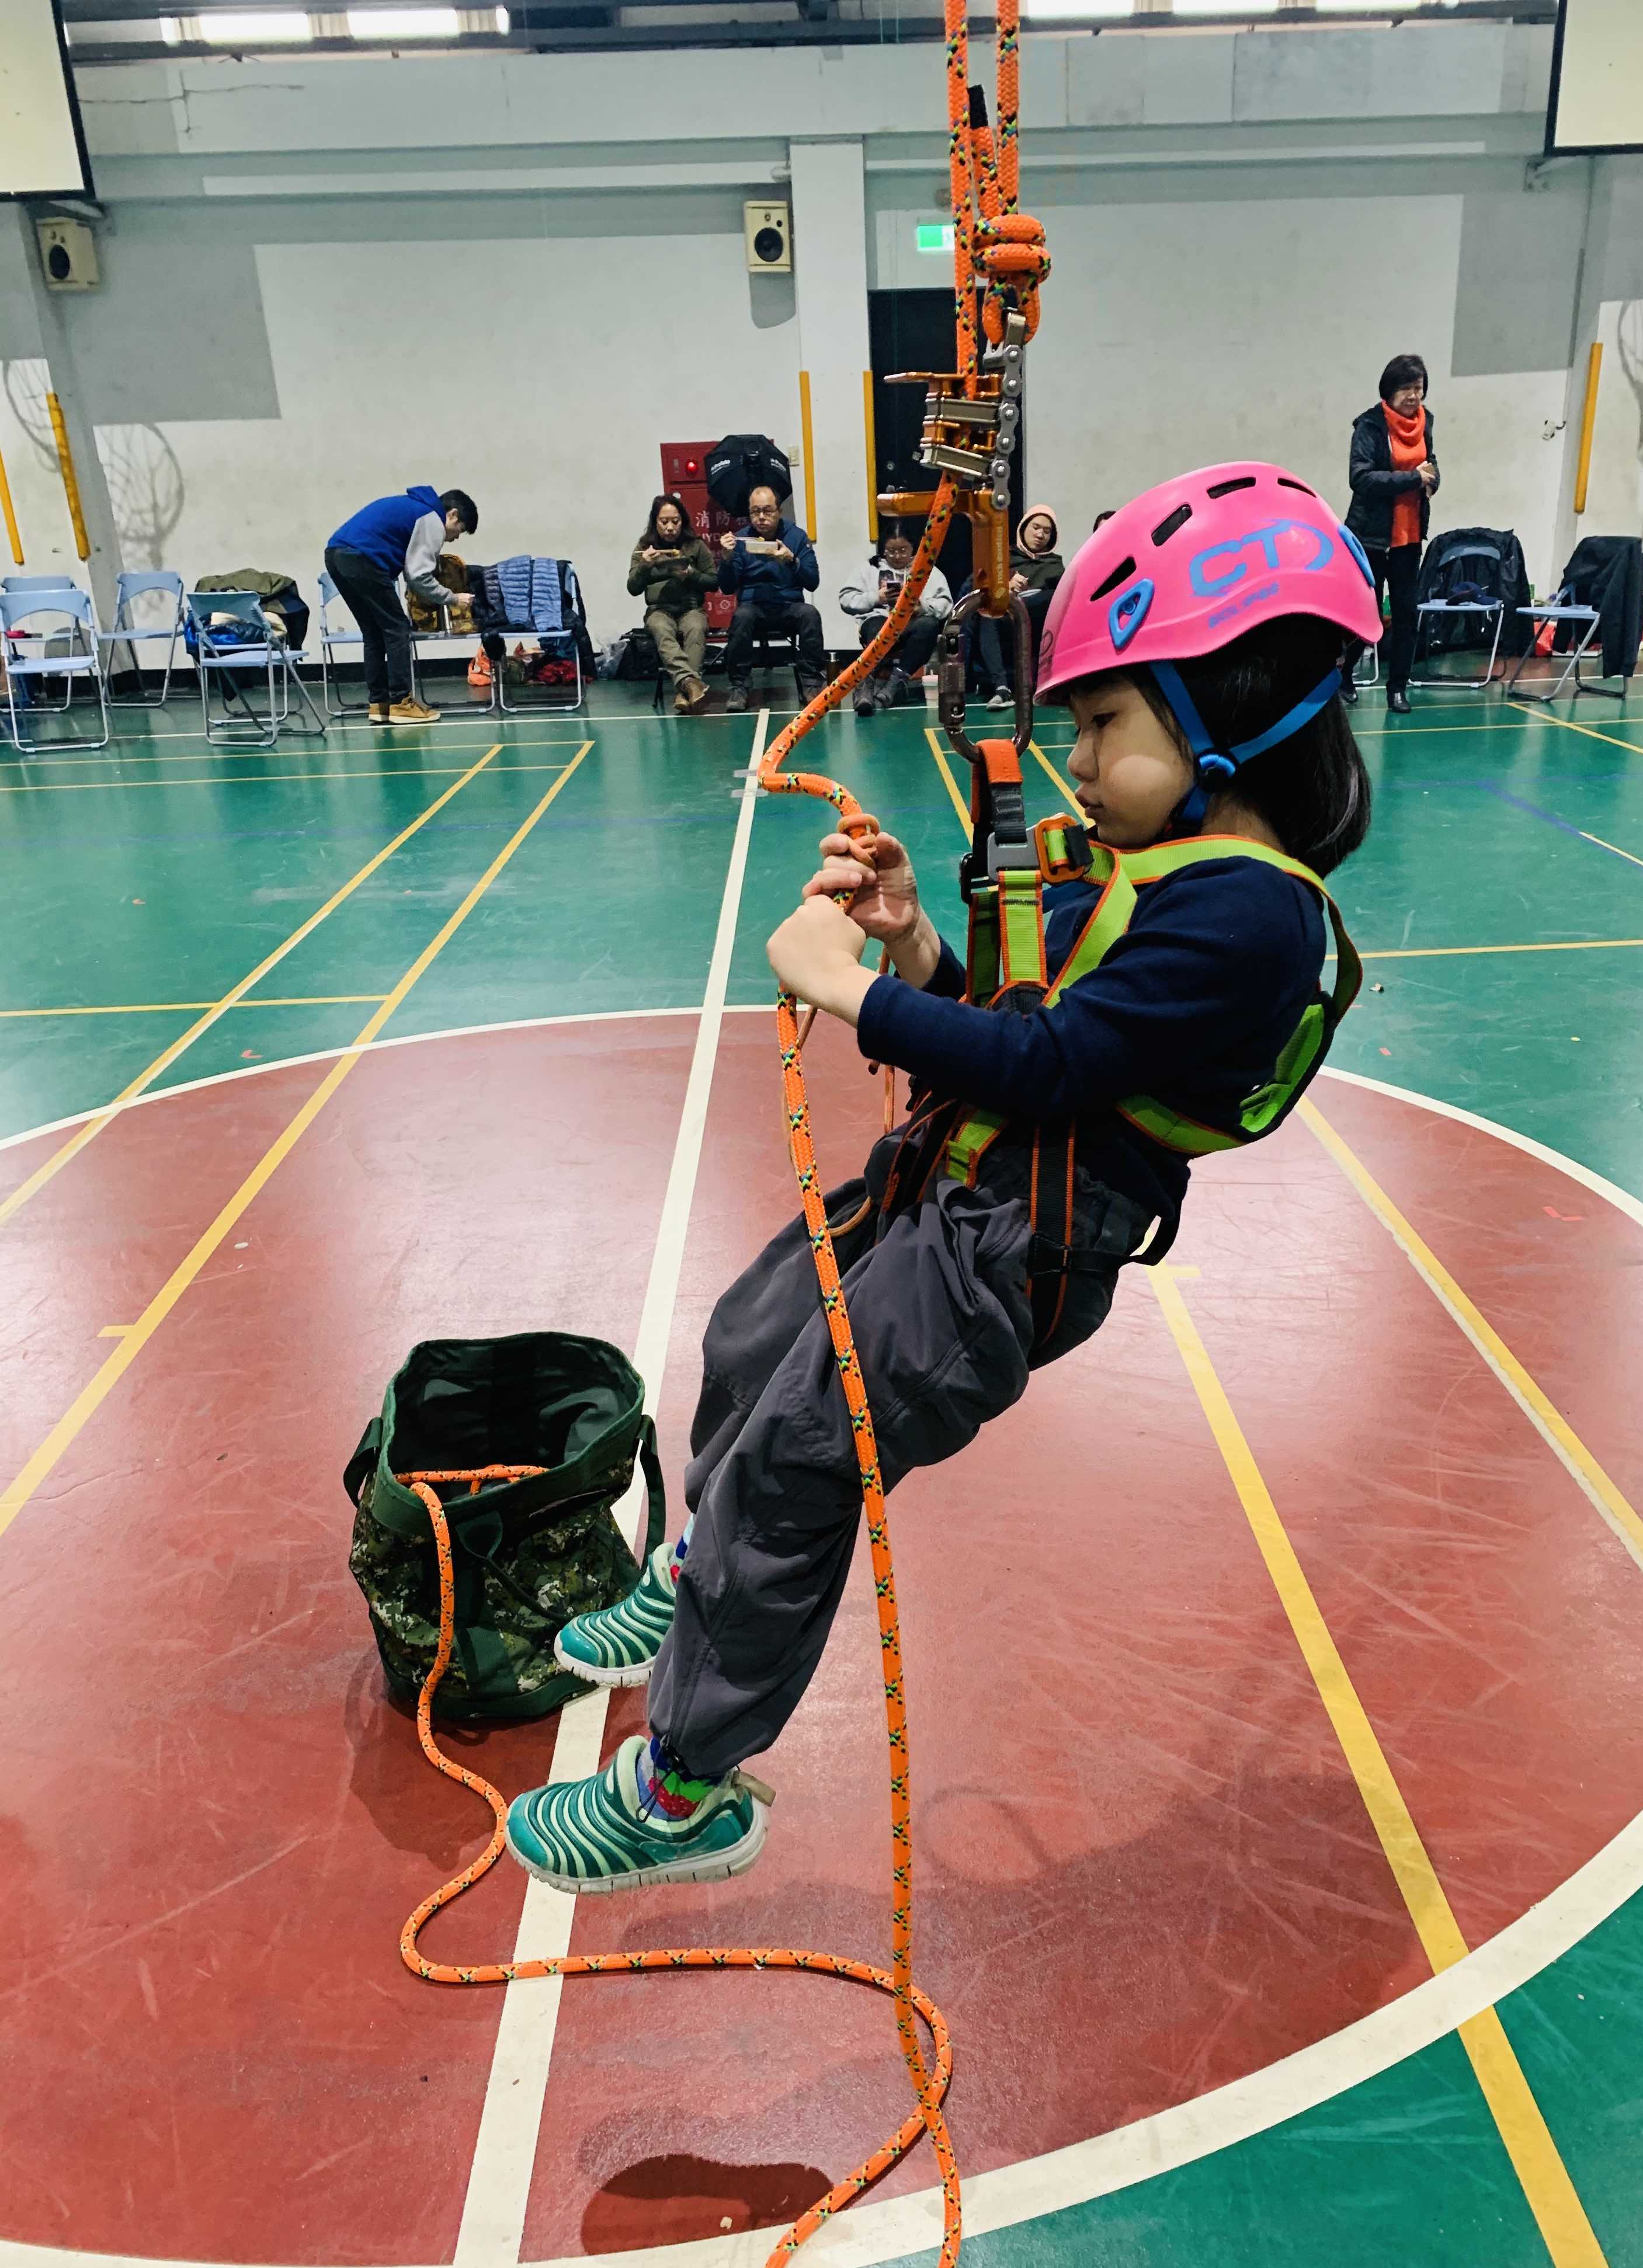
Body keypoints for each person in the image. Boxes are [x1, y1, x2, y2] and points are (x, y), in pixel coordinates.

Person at [501, 461, 1378, 1892]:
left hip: (1006, 1259)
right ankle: (696, 1569)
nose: (1078, 759)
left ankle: (682, 1790)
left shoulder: (1250, 919)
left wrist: (848, 989)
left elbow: (1049, 1068)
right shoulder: (1163, 869)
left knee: (799, 1470)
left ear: (1230, 710)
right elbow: (1028, 1024)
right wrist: (913, 944)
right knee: (753, 1336)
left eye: (1104, 724)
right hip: (950, 1194)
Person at [324, 485, 477, 727]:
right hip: (363, 559)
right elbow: (418, 576)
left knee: (374, 632)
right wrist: (453, 598)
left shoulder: (414, 507)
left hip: (336, 555)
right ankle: (401, 703)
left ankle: (380, 704)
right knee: (398, 629)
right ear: (453, 514)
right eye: (461, 530)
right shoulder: (432, 519)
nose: (456, 537)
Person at [1345, 355, 1438, 714]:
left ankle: (1397, 687)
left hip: (1409, 538)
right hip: (1371, 537)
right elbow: (1361, 478)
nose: (1414, 396)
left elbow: (1432, 463)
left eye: (1419, 388)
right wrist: (1414, 479)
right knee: (1365, 615)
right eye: (1406, 389)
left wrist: (1433, 481)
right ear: (1390, 390)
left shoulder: (1426, 422)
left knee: (1406, 615)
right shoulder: (1370, 426)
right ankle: (1345, 675)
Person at [717, 484, 822, 713]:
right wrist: (726, 559)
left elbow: (813, 581)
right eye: (755, 512)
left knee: (810, 614)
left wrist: (792, 561)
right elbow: (727, 588)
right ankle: (739, 686)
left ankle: (812, 683)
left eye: (767, 510)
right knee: (742, 616)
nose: (761, 517)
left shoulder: (796, 536)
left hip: (789, 606)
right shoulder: (741, 539)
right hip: (754, 607)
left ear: (779, 512)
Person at [838, 529, 954, 716]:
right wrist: (877, 597)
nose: (897, 556)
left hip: (912, 625)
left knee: (929, 625)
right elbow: (846, 599)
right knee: (878, 625)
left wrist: (921, 607)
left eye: (903, 550)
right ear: (883, 549)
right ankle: (865, 686)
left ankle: (895, 684)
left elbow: (946, 605)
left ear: (913, 549)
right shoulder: (868, 569)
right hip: (878, 622)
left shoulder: (928, 570)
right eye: (891, 551)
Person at [969, 503, 1063, 708]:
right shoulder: (1003, 558)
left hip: (1038, 622)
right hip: (1006, 619)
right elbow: (977, 587)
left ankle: (1047, 684)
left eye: (1047, 531)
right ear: (1023, 528)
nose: (1040, 535)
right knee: (988, 615)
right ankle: (1002, 689)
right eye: (1036, 527)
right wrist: (1005, 587)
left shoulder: (1055, 565)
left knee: (1050, 598)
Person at [628, 495, 716, 714]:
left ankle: (684, 692)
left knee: (696, 627)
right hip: (659, 610)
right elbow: (633, 588)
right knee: (660, 628)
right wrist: (644, 567)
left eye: (675, 521)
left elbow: (714, 582)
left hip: (691, 608)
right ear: (655, 522)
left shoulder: (695, 545)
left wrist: (692, 575)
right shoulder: (644, 547)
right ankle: (690, 683)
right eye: (664, 522)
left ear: (682, 521)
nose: (670, 527)